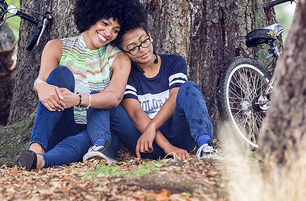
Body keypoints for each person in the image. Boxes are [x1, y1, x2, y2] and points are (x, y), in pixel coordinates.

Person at [14, 0, 145, 170]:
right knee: (61, 73)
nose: (108, 33)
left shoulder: (119, 58)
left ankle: (39, 161)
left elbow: (114, 97)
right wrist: (40, 85)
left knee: (83, 139)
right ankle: (36, 148)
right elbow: (43, 80)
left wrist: (77, 99)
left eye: (116, 30)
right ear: (91, 17)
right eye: (105, 23)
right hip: (62, 121)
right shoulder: (57, 46)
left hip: (98, 132)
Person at [84, 22, 219, 162]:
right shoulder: (127, 74)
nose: (142, 49)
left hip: (179, 138)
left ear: (150, 36)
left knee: (189, 87)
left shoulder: (174, 62)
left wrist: (152, 127)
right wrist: (166, 147)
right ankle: (101, 147)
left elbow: (175, 97)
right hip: (145, 144)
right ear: (124, 53)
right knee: (98, 98)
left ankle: (205, 145)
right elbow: (136, 114)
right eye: (133, 48)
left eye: (144, 41)